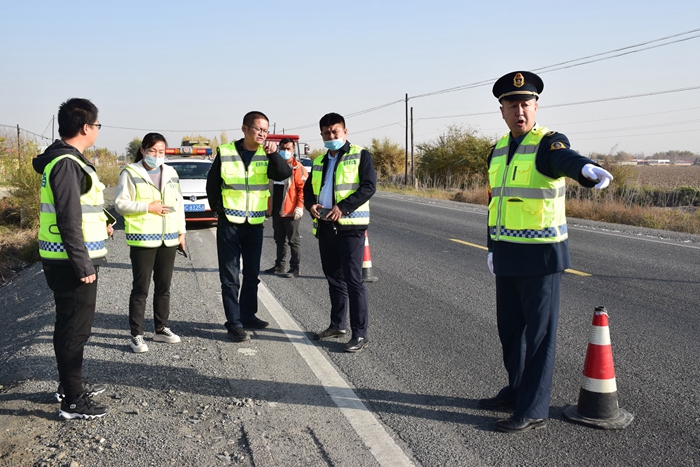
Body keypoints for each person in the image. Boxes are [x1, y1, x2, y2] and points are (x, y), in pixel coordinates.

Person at [479, 71, 614, 433]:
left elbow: (566, 159)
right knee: (510, 331)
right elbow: (496, 204)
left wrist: (584, 170)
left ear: (536, 106)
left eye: (526, 103)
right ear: (502, 110)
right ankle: (516, 390)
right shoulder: (498, 150)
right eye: (512, 104)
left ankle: (534, 408)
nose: (519, 110)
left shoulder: (548, 143)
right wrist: (492, 246)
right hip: (507, 253)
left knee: (538, 337)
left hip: (540, 256)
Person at [32, 98, 111, 420]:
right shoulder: (66, 163)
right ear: (85, 127)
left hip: (64, 259)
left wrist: (103, 222)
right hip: (70, 262)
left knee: (69, 326)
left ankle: (70, 386)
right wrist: (83, 264)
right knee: (74, 330)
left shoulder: (64, 161)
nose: (97, 131)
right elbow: (67, 218)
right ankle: (73, 401)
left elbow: (78, 209)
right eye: (97, 125)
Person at [206, 111, 292, 342]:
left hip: (254, 224)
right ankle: (234, 323)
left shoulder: (267, 154)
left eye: (266, 130)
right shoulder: (225, 152)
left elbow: (284, 174)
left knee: (252, 274)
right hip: (230, 225)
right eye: (258, 129)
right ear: (244, 129)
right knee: (230, 277)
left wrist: (274, 155)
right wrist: (219, 210)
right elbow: (212, 185)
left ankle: (248, 315)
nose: (262, 133)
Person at [304, 113, 377, 353]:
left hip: (350, 228)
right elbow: (308, 190)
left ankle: (360, 334)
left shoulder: (360, 155)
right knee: (334, 279)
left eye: (335, 132)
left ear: (345, 131)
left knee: (353, 281)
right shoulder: (318, 161)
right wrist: (311, 205)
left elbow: (369, 187)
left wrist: (343, 207)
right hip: (325, 227)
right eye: (326, 133)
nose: (331, 136)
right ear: (321, 135)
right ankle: (337, 325)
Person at [115, 133, 186, 353]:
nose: (157, 155)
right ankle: (136, 335)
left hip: (169, 238)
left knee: (164, 287)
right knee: (141, 288)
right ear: (143, 150)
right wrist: (148, 207)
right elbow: (120, 204)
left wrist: (182, 231)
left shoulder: (171, 172)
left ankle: (161, 328)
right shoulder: (131, 172)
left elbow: (179, 203)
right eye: (153, 151)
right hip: (143, 239)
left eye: (161, 151)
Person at [263, 137, 308, 278]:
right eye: (282, 149)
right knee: (279, 239)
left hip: (290, 211)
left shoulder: (298, 168)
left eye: (288, 149)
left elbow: (302, 190)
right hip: (276, 209)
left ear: (293, 150)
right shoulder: (272, 165)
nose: (285, 151)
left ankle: (295, 268)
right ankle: (279, 266)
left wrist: (299, 207)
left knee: (293, 240)